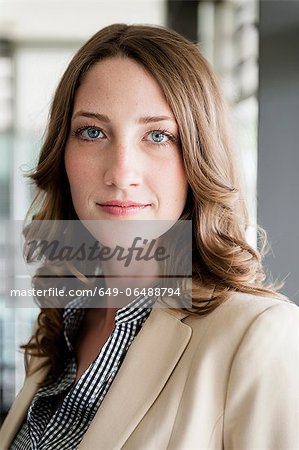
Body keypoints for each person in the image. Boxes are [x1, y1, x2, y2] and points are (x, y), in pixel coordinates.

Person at [1, 23, 299, 450]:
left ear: (200, 156)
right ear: (61, 153)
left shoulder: (258, 337)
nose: (121, 173)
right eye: (92, 132)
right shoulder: (58, 327)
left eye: (158, 136)